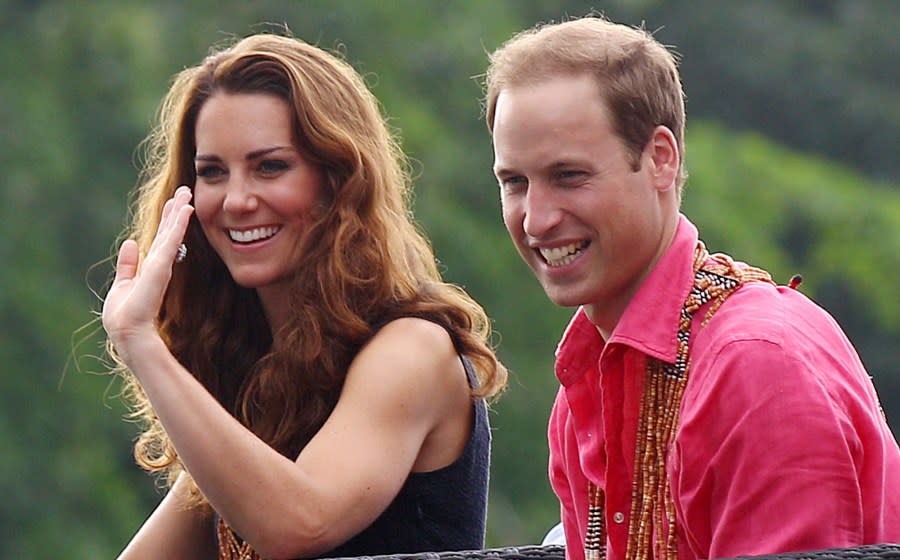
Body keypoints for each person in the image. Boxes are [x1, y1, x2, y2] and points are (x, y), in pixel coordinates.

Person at [483, 15, 900, 560]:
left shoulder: (757, 363)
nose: (536, 221)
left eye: (569, 176)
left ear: (661, 158)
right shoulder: (589, 373)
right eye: (514, 182)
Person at [101, 32, 507, 560]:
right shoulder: (262, 385)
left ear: (340, 180)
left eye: (270, 166)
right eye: (212, 173)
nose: (237, 200)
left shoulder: (411, 349)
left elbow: (299, 525)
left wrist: (140, 342)